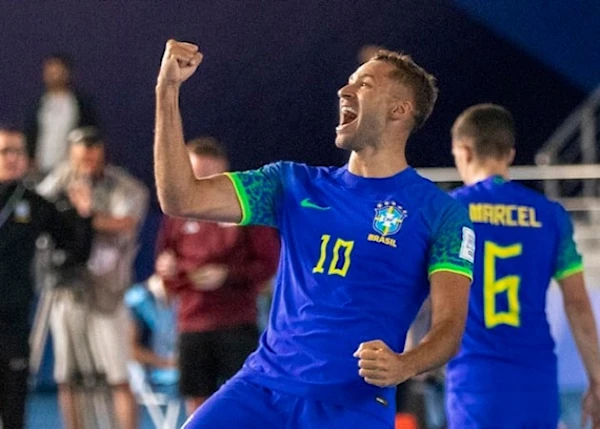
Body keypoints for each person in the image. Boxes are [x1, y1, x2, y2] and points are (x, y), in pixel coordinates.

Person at [154, 40, 475, 428]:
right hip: (261, 389)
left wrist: (404, 364)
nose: (345, 90)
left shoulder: (441, 213)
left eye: (364, 84)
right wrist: (167, 91)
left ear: (399, 109)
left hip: (351, 405)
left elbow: (449, 328)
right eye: (349, 82)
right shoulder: (291, 183)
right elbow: (180, 197)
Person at [446, 103, 600, 428]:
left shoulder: (451, 211)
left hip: (475, 380)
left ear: (463, 150)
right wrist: (597, 381)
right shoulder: (550, 215)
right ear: (510, 154)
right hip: (536, 380)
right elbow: (577, 304)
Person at [154, 136, 280, 415]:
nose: (198, 181)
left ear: (223, 170)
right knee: (197, 403)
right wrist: (168, 273)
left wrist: (227, 275)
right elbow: (165, 261)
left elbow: (268, 264)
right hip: (191, 322)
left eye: (206, 174)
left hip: (236, 321)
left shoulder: (246, 208)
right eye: (193, 173)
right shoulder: (176, 212)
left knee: (245, 402)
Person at [37, 126, 148, 429]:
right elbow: (37, 209)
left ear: (102, 154)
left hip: (108, 294)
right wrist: (71, 216)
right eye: (79, 159)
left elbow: (126, 222)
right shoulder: (60, 179)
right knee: (67, 378)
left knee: (118, 377)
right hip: (68, 291)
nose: (86, 164)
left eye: (92, 157)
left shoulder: (126, 187)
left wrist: (83, 215)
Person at [0, 124, 93, 429]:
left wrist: (84, 216)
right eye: (4, 151)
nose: (12, 158)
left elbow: (76, 251)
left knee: (13, 407)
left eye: (18, 151)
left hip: (12, 322)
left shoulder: (35, 203)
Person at [24, 53, 98, 177]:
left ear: (67, 73)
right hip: (41, 169)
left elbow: (90, 135)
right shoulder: (38, 104)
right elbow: (30, 134)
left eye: (58, 71)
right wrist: (30, 159)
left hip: (71, 171)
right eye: (50, 71)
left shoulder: (80, 104)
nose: (54, 75)